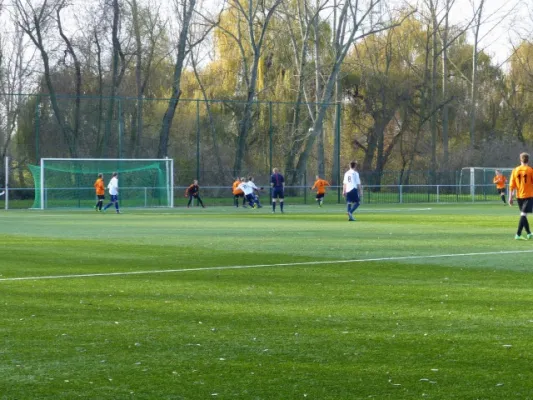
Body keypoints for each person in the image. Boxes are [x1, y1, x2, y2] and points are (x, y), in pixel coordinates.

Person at [509, 153, 533, 240]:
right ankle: (518, 234)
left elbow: (511, 185)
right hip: (528, 196)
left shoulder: (515, 170)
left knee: (524, 215)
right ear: (528, 160)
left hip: (519, 196)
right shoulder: (530, 170)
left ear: (520, 160)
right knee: (523, 214)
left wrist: (510, 197)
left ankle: (529, 233)